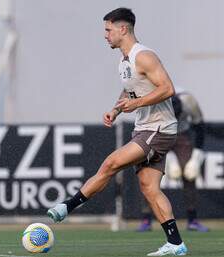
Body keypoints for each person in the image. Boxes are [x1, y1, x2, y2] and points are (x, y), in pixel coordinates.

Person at [47, 7, 187, 256]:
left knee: (111, 163)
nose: (105, 35)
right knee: (149, 188)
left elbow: (167, 88)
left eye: (108, 29)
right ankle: (176, 243)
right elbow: (131, 91)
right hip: (146, 128)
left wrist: (136, 104)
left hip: (158, 128)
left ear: (123, 29)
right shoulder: (123, 61)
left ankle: (67, 207)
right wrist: (116, 110)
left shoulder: (144, 56)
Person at [137, 88, 209, 233]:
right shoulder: (153, 103)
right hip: (157, 132)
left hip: (182, 134)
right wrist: (169, 158)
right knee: (148, 174)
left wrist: (195, 159)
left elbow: (200, 128)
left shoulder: (188, 102)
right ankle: (146, 219)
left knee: (189, 173)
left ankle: (192, 219)